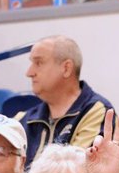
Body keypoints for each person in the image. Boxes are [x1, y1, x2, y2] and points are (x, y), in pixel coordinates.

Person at [18, 35, 113, 165]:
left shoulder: (96, 112)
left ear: (66, 68)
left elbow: (74, 172)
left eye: (38, 63)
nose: (29, 72)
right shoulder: (23, 118)